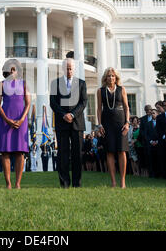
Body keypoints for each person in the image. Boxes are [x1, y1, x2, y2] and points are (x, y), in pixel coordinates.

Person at [50, 58, 87, 188]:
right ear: (63, 69)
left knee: (77, 155)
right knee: (62, 154)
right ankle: (64, 183)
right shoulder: (55, 83)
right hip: (62, 123)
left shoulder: (81, 83)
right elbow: (53, 102)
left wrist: (72, 114)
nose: (69, 70)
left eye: (71, 68)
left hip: (77, 123)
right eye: (67, 68)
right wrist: (63, 115)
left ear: (74, 69)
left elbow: (83, 102)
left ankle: (77, 183)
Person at [0, 59, 30, 189]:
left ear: (17, 71)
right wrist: (7, 120)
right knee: (5, 152)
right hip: (5, 121)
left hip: (21, 120)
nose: (11, 72)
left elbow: (28, 104)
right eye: (9, 69)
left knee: (20, 152)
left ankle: (18, 183)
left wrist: (21, 120)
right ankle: (8, 183)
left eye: (13, 69)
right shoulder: (1, 84)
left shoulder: (24, 84)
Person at [96, 67, 129, 188]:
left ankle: (123, 181)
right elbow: (99, 109)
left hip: (120, 122)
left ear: (116, 78)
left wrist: (127, 123)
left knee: (122, 151)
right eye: (109, 76)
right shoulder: (100, 91)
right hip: (107, 123)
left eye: (113, 76)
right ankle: (113, 182)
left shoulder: (122, 89)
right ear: (105, 78)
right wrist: (99, 124)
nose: (111, 78)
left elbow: (126, 108)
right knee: (109, 151)